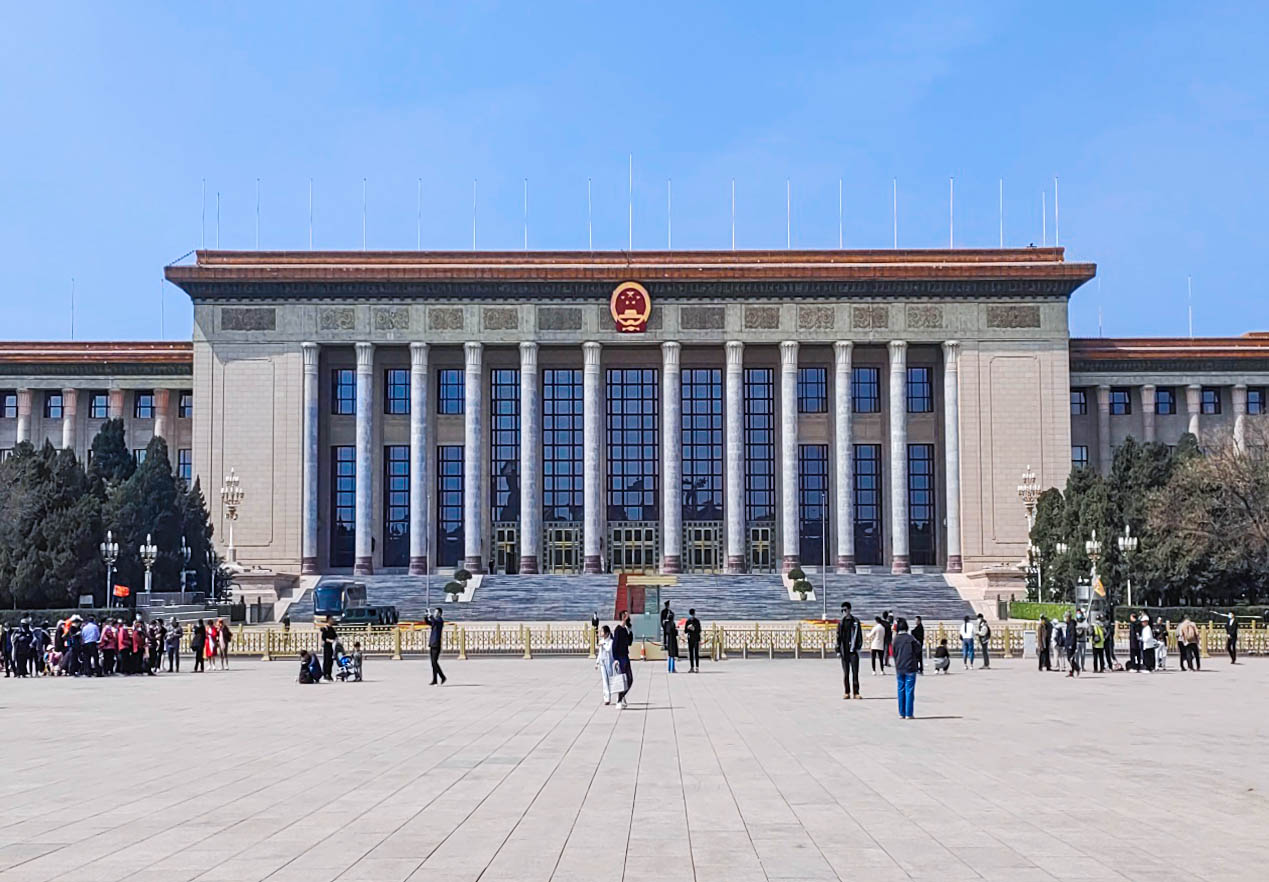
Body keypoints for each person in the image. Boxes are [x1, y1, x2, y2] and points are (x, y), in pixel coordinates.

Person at [892, 618, 920, 720]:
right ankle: (909, 713)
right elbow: (918, 649)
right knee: (909, 690)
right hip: (910, 667)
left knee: (901, 689)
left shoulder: (895, 639)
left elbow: (893, 653)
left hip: (899, 666)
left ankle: (901, 713)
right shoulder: (910, 638)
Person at [835, 601, 863, 699]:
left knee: (855, 673)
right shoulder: (841, 623)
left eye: (845, 610)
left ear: (849, 610)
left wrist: (858, 647)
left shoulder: (855, 621)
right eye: (842, 610)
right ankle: (847, 692)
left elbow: (859, 635)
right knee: (846, 673)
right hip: (844, 651)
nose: (844, 612)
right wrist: (838, 650)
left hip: (853, 651)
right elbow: (838, 637)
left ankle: (856, 692)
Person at [612, 610, 633, 709]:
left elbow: (629, 643)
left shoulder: (625, 630)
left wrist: (630, 631)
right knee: (622, 679)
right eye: (626, 616)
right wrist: (615, 659)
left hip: (625, 656)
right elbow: (614, 645)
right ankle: (619, 700)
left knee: (630, 679)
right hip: (620, 658)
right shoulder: (618, 630)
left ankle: (622, 696)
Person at [421, 608, 447, 685]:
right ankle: (434, 679)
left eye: (436, 612)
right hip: (432, 643)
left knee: (434, 662)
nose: (435, 613)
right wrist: (426, 616)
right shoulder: (435, 621)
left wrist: (430, 615)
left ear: (440, 613)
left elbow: (435, 621)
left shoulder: (440, 621)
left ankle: (442, 677)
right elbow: (429, 622)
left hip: (436, 644)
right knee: (433, 663)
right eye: (434, 612)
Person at [596, 624, 615, 705]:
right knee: (605, 680)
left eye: (602, 631)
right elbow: (600, 653)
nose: (600, 633)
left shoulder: (611, 642)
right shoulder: (601, 641)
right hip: (602, 662)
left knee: (611, 679)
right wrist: (597, 662)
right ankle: (607, 698)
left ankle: (619, 695)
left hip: (609, 662)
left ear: (607, 633)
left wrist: (603, 645)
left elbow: (608, 649)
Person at [1063, 612, 1080, 677]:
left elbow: (1073, 635)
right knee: (1070, 659)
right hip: (1068, 644)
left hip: (1071, 645)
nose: (1065, 618)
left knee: (1070, 658)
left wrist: (1071, 644)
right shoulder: (1068, 624)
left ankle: (1077, 668)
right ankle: (1072, 672)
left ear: (1068, 617)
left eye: (1065, 617)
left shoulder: (1072, 625)